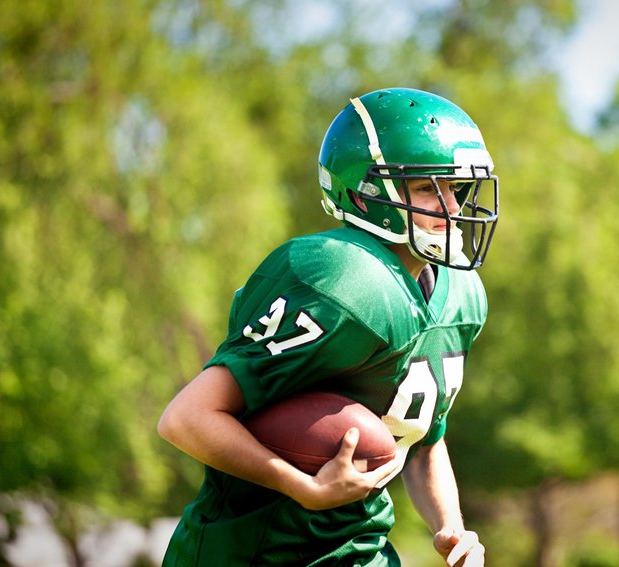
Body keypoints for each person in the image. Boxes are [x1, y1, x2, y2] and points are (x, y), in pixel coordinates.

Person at [158, 87, 499, 566]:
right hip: (252, 551)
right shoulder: (342, 282)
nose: (449, 206)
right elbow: (186, 418)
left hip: (360, 549)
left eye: (453, 187)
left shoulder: (461, 294)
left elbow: (422, 438)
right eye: (426, 187)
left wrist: (451, 528)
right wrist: (301, 485)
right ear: (369, 193)